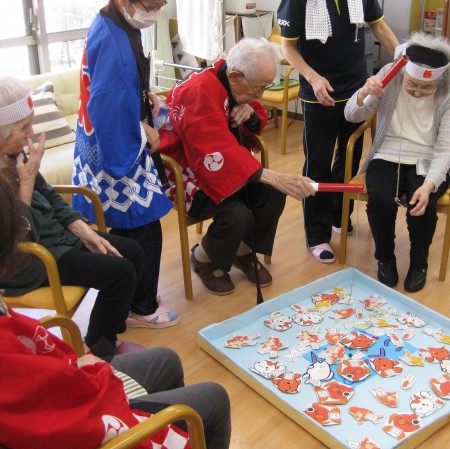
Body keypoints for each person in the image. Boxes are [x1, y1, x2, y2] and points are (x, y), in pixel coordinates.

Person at [0, 167, 231, 449]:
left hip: (69, 380)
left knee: (167, 358)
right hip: (91, 416)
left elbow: (47, 369)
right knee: (215, 397)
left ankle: (114, 335)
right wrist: (95, 369)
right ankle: (107, 348)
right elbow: (65, 413)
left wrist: (82, 230)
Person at [0, 75, 159, 358]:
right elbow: (14, 238)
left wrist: (80, 229)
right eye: (24, 128)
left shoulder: (14, 155)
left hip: (57, 240)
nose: (31, 134)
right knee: (120, 273)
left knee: (133, 252)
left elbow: (49, 194)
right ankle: (98, 351)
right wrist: (25, 185)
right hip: (30, 260)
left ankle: (106, 333)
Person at [159, 38, 316, 295]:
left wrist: (250, 113)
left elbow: (255, 113)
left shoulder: (231, 80)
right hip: (187, 173)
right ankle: (203, 257)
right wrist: (268, 175)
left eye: (265, 87)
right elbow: (209, 151)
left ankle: (243, 250)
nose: (260, 95)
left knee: (273, 193)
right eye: (259, 88)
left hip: (222, 164)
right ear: (235, 76)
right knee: (238, 214)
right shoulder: (198, 91)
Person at [73, 0, 179, 327]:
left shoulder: (115, 23)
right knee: (142, 227)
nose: (155, 12)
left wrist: (143, 97)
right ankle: (141, 307)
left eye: (161, 4)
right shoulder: (112, 38)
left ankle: (129, 300)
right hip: (114, 146)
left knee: (129, 227)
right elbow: (106, 105)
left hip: (107, 140)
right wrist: (139, 127)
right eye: (151, 5)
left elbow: (118, 87)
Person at [277, 0, 399, 263]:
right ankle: (316, 234)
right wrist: (313, 78)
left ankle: (339, 215)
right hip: (318, 94)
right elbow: (288, 47)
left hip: (356, 90)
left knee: (349, 160)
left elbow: (378, 26)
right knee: (318, 165)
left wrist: (405, 58)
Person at [344, 32, 450, 292]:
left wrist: (429, 185)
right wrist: (364, 93)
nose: (418, 92)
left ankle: (419, 264)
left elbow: (445, 148)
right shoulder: (390, 74)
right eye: (412, 84)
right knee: (381, 199)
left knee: (422, 205)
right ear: (403, 72)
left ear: (439, 82)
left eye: (427, 88)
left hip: (429, 158)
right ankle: (385, 258)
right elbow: (351, 115)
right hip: (387, 153)